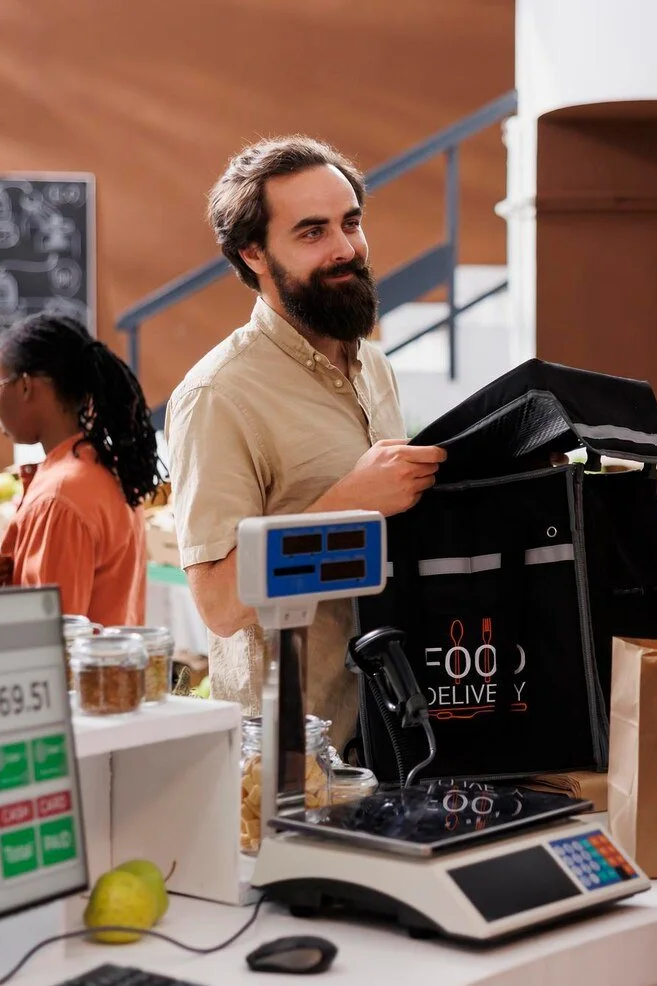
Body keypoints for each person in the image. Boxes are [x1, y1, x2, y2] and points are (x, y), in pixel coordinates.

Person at [165, 136, 445, 731]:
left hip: (398, 729)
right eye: (312, 232)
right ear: (255, 254)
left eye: (352, 223)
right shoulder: (217, 395)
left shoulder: (375, 368)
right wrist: (349, 504)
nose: (347, 249)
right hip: (295, 758)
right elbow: (218, 605)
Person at [0, 312, 161, 626]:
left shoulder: (59, 495)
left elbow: (44, 638)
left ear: (25, 387)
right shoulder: (98, 468)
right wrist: (3, 578)